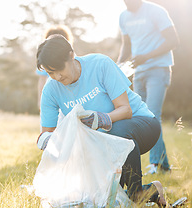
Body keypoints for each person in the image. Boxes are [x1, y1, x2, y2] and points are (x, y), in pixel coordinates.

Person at [36, 35, 166, 206]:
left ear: (71, 55)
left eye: (59, 69)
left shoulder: (100, 64)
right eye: (50, 72)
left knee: (116, 132)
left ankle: (136, 192)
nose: (57, 77)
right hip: (101, 144)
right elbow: (49, 134)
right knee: (103, 199)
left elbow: (125, 110)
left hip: (141, 126)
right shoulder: (51, 91)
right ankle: (149, 191)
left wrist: (101, 118)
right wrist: (48, 141)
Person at [117, 0, 179, 174]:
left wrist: (146, 56)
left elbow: (173, 40)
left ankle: (157, 164)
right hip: (139, 73)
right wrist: (117, 67)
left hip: (158, 69)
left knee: (152, 115)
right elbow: (126, 44)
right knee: (141, 117)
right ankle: (163, 165)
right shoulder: (123, 17)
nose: (129, 2)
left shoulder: (156, 11)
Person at [37, 26, 73, 109]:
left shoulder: (69, 57)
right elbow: (42, 80)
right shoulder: (45, 60)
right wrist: (40, 100)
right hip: (54, 95)